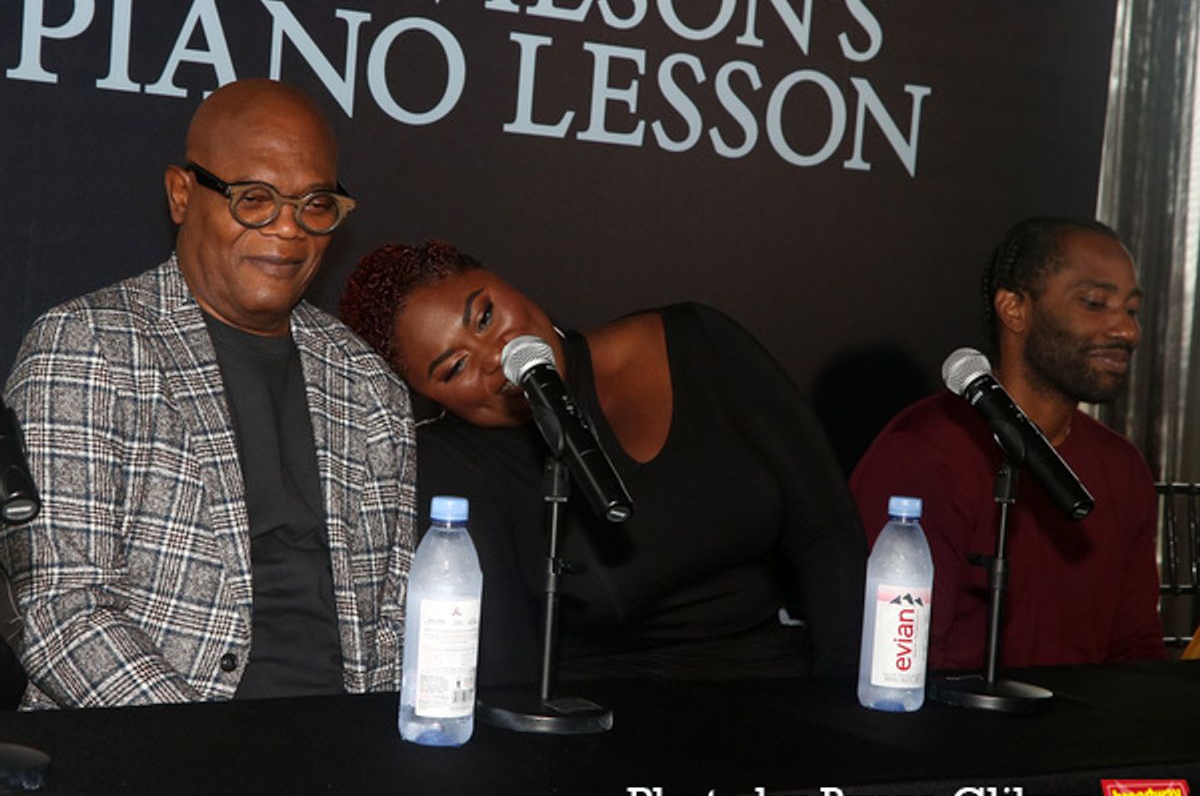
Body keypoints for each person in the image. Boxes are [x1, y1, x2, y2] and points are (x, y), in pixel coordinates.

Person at [0, 79, 416, 709]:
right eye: (255, 199)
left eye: (316, 204)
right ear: (181, 193)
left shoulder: (369, 382)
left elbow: (392, 619)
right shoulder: (88, 344)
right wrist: (202, 746)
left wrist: (386, 744)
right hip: (155, 741)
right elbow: (60, 608)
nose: (289, 229)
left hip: (342, 743)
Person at [339, 240, 867, 687]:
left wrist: (845, 705)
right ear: (428, 398)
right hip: (613, 729)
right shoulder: (456, 465)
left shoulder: (697, 340)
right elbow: (505, 670)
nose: (497, 356)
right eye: (455, 368)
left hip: (781, 688)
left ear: (506, 284)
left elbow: (827, 532)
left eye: (486, 316)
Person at [851, 216, 1166, 670]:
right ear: (1014, 309)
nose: (1127, 332)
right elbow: (891, 664)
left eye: (1131, 311)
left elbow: (1135, 650)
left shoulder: (1122, 467)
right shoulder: (925, 452)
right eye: (1095, 303)